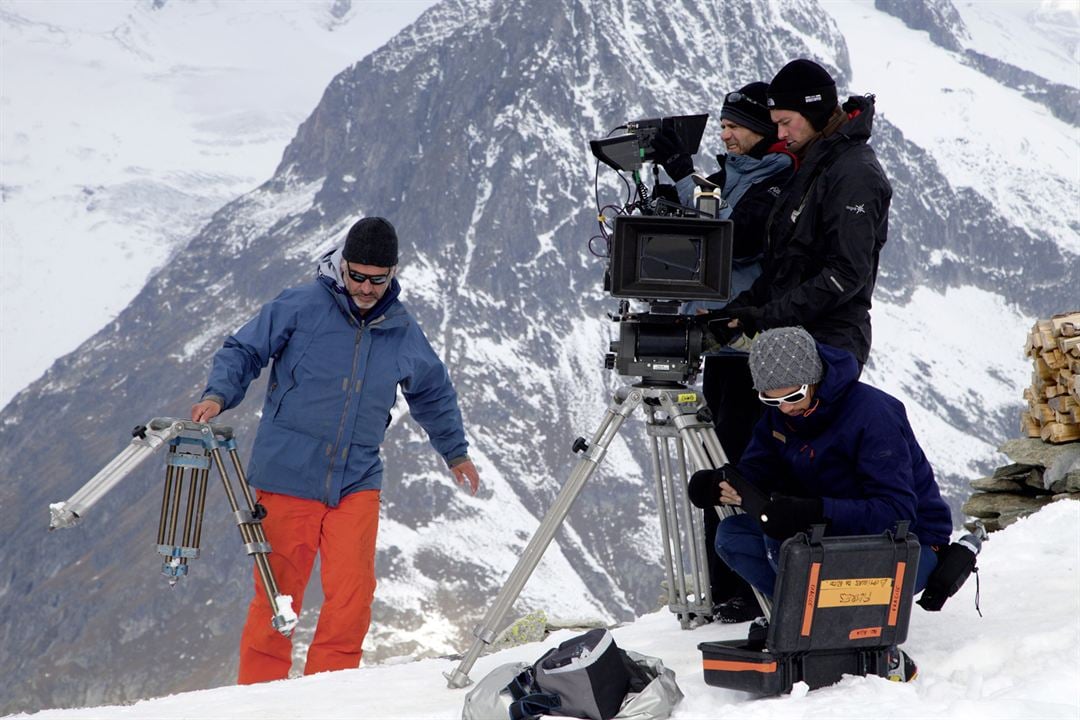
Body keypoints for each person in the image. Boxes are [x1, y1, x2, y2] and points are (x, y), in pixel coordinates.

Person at [191, 216, 481, 684]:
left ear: (393, 274)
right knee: (277, 596)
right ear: (342, 266)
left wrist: (455, 452)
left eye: (377, 279)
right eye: (357, 276)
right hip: (287, 475)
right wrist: (217, 394)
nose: (366, 288)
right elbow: (244, 349)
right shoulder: (302, 305)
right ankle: (259, 704)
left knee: (352, 597)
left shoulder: (401, 329)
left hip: (356, 479)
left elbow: (432, 392)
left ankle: (328, 699)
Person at [654, 82, 797, 623]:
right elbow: (708, 227)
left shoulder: (778, 181)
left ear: (762, 130)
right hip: (721, 346)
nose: (726, 134)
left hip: (748, 352)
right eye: (725, 124)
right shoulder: (736, 178)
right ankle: (723, 586)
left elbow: (735, 240)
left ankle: (743, 590)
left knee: (738, 467)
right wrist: (675, 192)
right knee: (714, 471)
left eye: (736, 125)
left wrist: (685, 178)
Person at [687, 326, 952, 598]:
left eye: (792, 396)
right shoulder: (780, 416)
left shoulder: (873, 415)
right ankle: (799, 618)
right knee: (733, 536)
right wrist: (722, 484)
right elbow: (760, 468)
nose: (785, 407)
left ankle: (830, 619)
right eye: (771, 398)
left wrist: (813, 512)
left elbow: (896, 513)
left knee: (791, 550)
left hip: (909, 542)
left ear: (813, 379)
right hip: (827, 529)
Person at [724, 59, 892, 370]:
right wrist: (739, 309)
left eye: (786, 122)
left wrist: (764, 316)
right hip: (793, 342)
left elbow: (845, 275)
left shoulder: (854, 174)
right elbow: (788, 263)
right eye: (776, 123)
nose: (780, 132)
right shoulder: (814, 165)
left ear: (813, 112)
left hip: (828, 347)